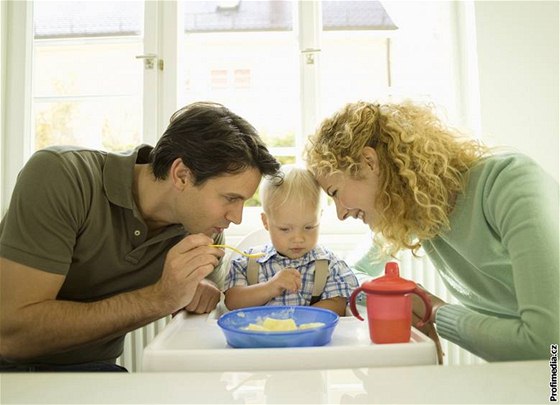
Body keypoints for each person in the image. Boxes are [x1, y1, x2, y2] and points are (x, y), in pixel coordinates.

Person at [0, 101, 281, 371]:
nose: (237, 217)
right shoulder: (62, 176)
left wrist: (198, 301)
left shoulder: (204, 232)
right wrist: (160, 297)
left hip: (94, 373)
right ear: (181, 175)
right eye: (229, 198)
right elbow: (11, 337)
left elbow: (191, 332)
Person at [304, 100, 559, 362]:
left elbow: (546, 344)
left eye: (335, 193)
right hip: (521, 372)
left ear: (369, 162)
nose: (341, 213)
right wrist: (402, 297)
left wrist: (432, 308)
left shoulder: (507, 184)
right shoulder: (418, 211)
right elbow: (350, 276)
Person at [224, 165, 359, 316]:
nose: (298, 239)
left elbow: (338, 304)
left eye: (309, 227)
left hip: (310, 338)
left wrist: (299, 318)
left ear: (319, 218)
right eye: (285, 229)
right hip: (261, 338)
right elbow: (232, 301)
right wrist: (269, 288)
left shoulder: (329, 265)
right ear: (266, 222)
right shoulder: (248, 263)